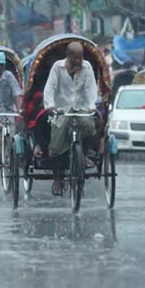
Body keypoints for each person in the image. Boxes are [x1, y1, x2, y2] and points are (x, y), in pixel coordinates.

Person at [40, 41, 99, 195]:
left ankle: (83, 155)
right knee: (55, 147)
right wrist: (50, 106)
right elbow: (50, 88)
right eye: (75, 58)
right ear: (68, 56)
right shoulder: (57, 68)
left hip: (81, 108)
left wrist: (92, 105)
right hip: (62, 110)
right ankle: (57, 179)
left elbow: (91, 88)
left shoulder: (87, 68)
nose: (78, 61)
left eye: (81, 58)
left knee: (90, 127)